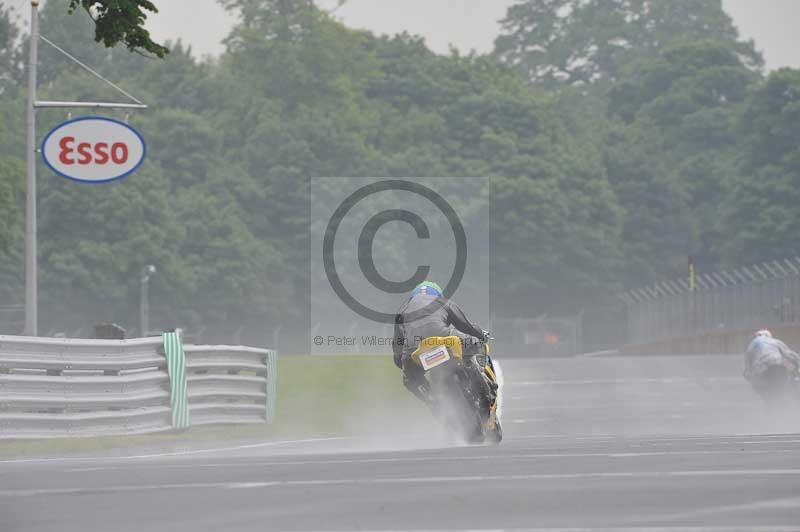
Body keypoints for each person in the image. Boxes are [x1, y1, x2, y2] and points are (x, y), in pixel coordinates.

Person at [392, 281, 489, 402]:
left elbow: (397, 349)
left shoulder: (403, 309)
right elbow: (466, 326)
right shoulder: (443, 301)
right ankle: (481, 377)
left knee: (410, 381)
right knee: (477, 344)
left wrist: (405, 364)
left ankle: (432, 401)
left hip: (414, 348)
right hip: (444, 337)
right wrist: (480, 335)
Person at [743, 329, 800, 401]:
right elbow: (790, 354)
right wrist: (797, 365)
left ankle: (767, 399)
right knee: (786, 383)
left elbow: (747, 363)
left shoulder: (751, 344)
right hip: (778, 367)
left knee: (761, 388)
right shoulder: (775, 341)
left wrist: (748, 373)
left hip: (761, 371)